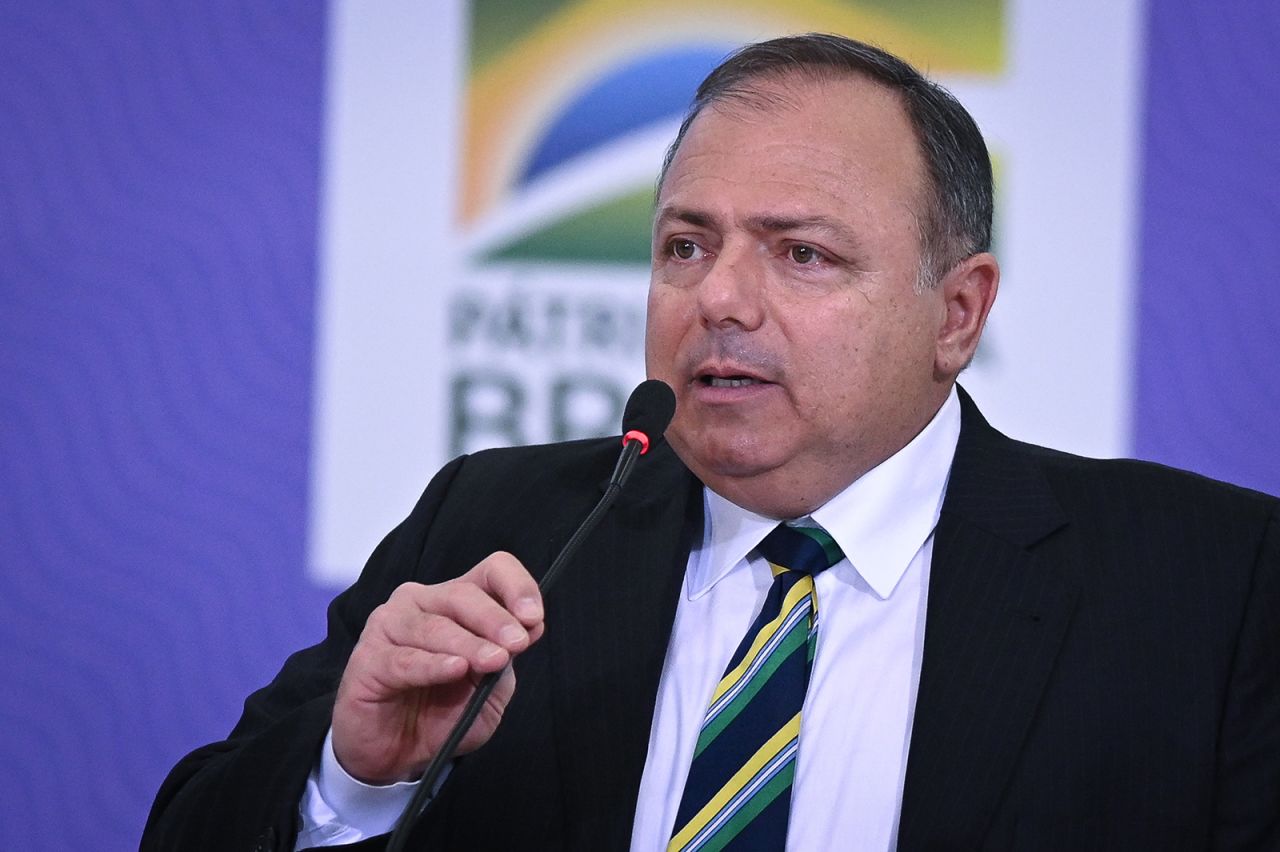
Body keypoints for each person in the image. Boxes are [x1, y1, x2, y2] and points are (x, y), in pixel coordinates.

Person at [144, 34, 1279, 852]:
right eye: (685, 246)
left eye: (800, 255)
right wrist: (355, 784)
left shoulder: (1209, 586)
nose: (717, 300)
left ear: (956, 312)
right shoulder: (497, 525)